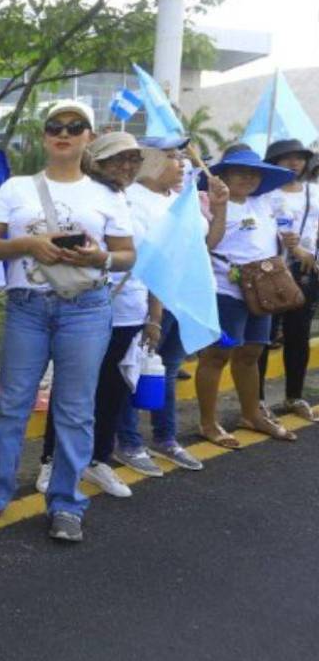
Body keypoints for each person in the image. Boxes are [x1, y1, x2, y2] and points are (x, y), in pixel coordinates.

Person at [0, 100, 135, 543]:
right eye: (55, 126)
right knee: (12, 406)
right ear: (43, 136)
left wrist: (98, 256)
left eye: (75, 126)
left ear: (88, 137)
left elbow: (127, 255)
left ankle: (66, 501)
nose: (64, 132)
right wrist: (29, 244)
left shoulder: (106, 194)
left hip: (86, 308)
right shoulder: (16, 187)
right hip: (28, 306)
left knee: (75, 410)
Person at [36, 133, 146, 499]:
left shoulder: (137, 201)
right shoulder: (80, 198)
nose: (126, 167)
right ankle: (53, 460)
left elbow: (151, 260)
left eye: (133, 159)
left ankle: (98, 459)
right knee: (72, 390)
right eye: (117, 160)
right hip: (85, 307)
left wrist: (154, 315)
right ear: (94, 162)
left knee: (113, 389)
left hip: (130, 309)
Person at [111, 143, 204, 473]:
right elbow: (148, 260)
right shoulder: (132, 200)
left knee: (164, 371)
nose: (180, 164)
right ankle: (129, 442)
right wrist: (155, 313)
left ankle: (166, 438)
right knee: (133, 372)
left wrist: (217, 208)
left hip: (181, 299)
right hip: (146, 302)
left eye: (181, 158)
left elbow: (203, 246)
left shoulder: (180, 201)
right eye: (172, 157)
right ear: (150, 161)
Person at [196, 144, 297, 446]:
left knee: (252, 352)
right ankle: (207, 423)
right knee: (217, 354)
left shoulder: (263, 202)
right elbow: (205, 244)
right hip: (225, 292)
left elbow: (265, 238)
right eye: (240, 171)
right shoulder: (207, 202)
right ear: (223, 174)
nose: (248, 178)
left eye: (254, 172)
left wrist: (286, 240)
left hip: (263, 292)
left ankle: (251, 414)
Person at [257, 138, 319, 421]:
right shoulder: (264, 195)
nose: (294, 162)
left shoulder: (314, 192)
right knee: (263, 336)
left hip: (306, 272)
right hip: (269, 270)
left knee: (298, 335)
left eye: (299, 157)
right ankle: (256, 401)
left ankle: (294, 396)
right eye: (286, 158)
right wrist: (292, 247)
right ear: (274, 163)